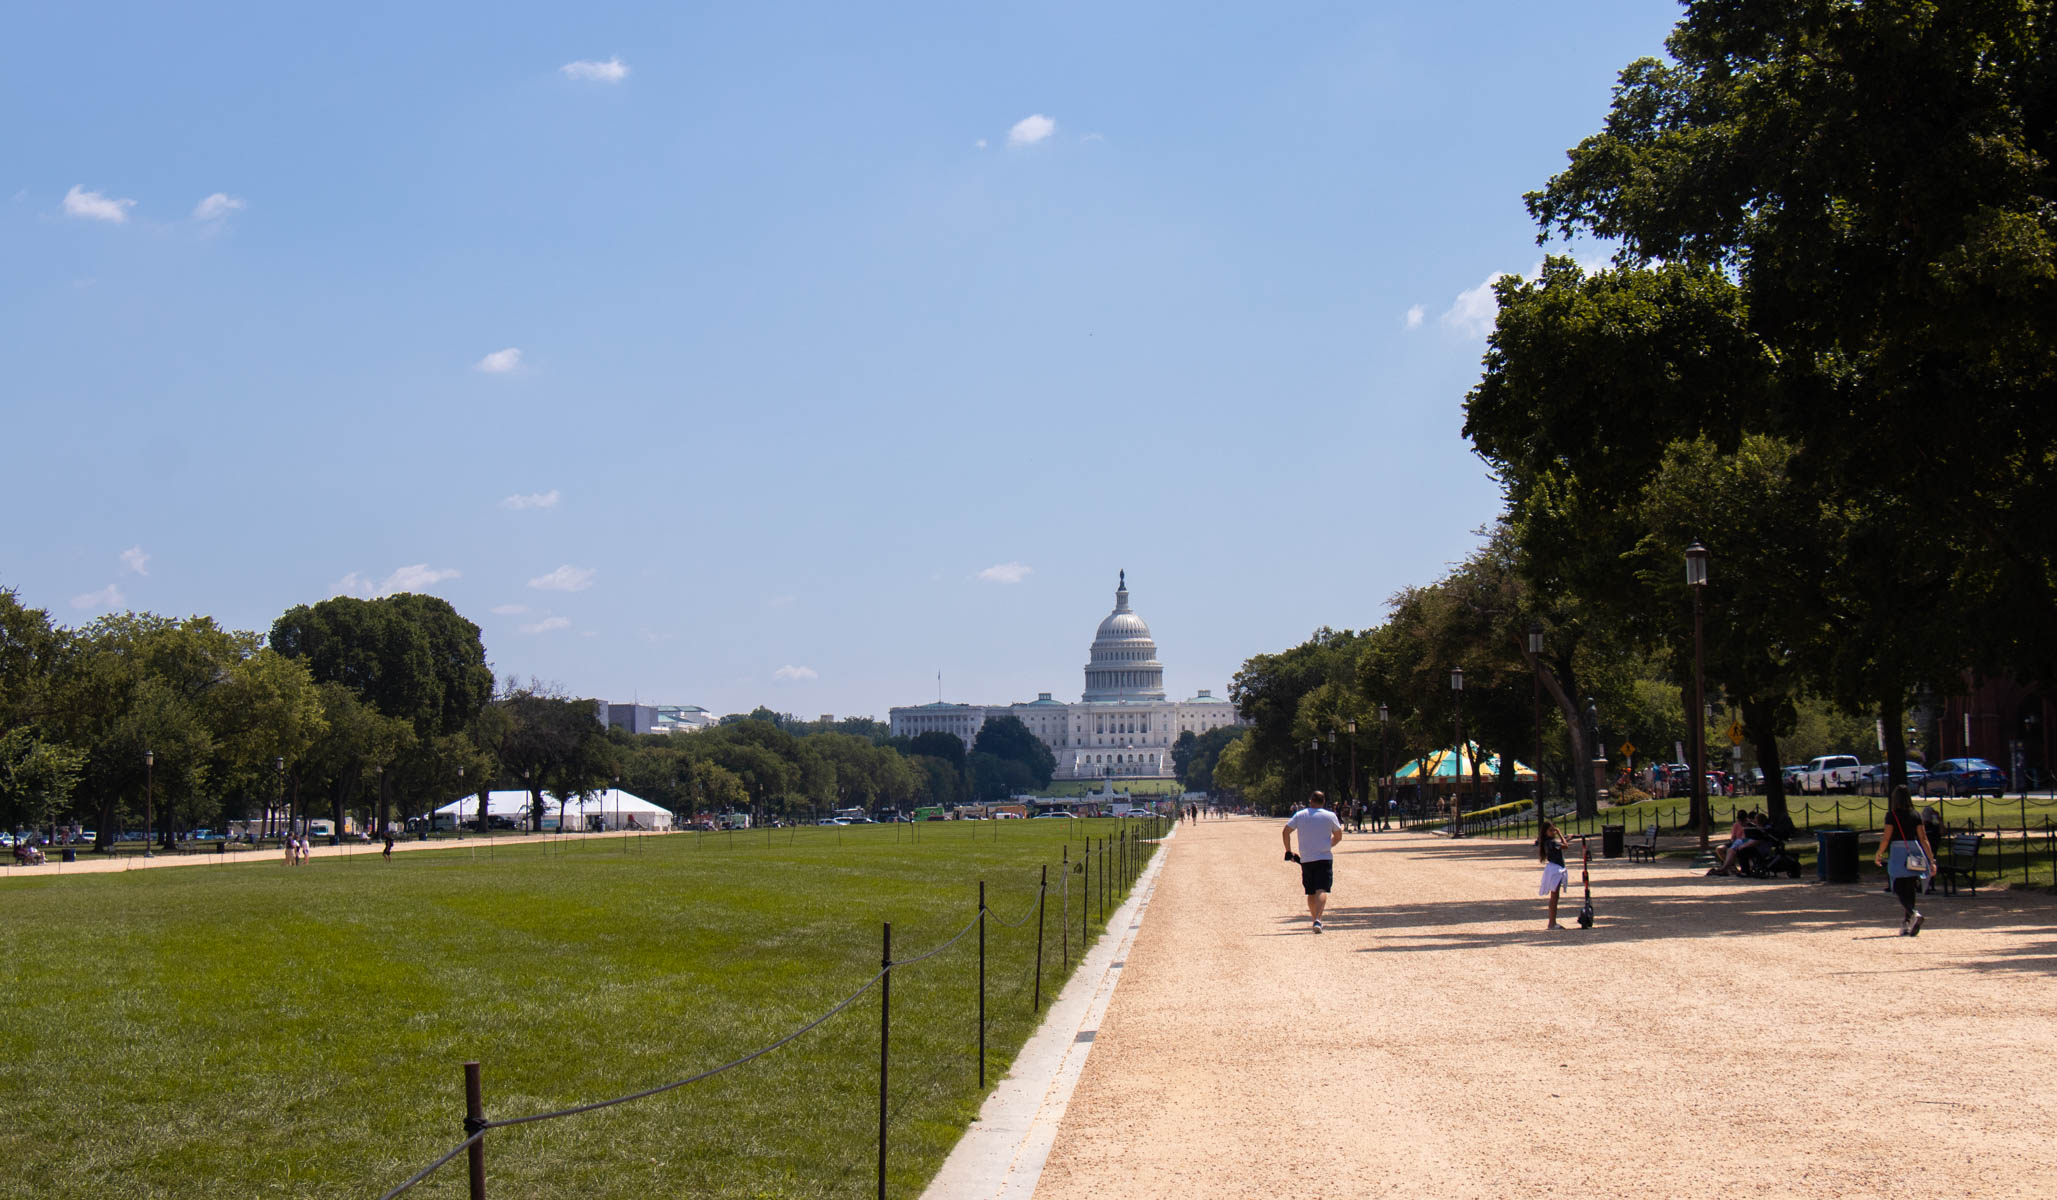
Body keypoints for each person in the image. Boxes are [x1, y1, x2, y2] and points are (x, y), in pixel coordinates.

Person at [1874, 786, 1935, 935]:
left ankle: (1913, 913)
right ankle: (1907, 922)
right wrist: (1931, 859)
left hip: (1898, 851)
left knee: (1898, 886)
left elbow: (1887, 837)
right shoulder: (1915, 814)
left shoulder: (1892, 815)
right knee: (1910, 886)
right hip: (1914, 850)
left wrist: (1879, 853)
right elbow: (1923, 838)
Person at [1281, 790, 1345, 933]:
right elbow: (1338, 836)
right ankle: (1318, 919)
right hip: (1324, 857)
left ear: (1310, 800)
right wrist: (1329, 845)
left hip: (1307, 858)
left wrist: (1288, 851)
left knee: (1310, 891)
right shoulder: (1330, 816)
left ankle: (1314, 918)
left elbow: (1286, 831)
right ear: (1324, 801)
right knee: (1321, 889)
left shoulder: (1300, 815)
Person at [1537, 820, 1570, 929]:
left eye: (1554, 830)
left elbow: (1562, 844)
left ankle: (1552, 922)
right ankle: (1552, 923)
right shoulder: (1552, 842)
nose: (1553, 832)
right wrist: (1560, 833)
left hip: (1553, 869)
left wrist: (1566, 837)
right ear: (1546, 832)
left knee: (1555, 896)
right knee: (1554, 897)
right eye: (1551, 830)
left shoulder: (1548, 842)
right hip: (1556, 870)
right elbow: (1565, 846)